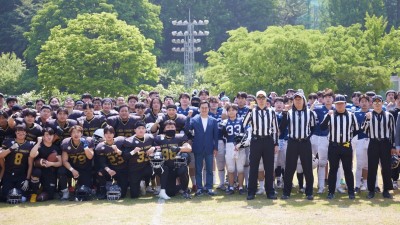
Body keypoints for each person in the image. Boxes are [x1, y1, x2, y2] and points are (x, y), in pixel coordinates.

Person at [320, 94, 359, 200]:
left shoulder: (351, 115)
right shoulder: (330, 115)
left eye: (342, 104)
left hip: (346, 146)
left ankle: (351, 192)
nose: (340, 106)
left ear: (345, 104)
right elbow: (322, 127)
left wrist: (348, 138)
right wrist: (328, 116)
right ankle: (331, 192)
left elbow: (356, 129)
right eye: (337, 104)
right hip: (333, 146)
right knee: (333, 170)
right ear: (335, 105)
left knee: (348, 170)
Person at [242, 90, 279, 200]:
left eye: (263, 98)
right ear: (256, 100)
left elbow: (275, 130)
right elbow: (244, 124)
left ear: (266, 99)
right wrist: (249, 109)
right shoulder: (252, 112)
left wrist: (275, 143)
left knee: (269, 167)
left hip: (268, 141)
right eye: (259, 98)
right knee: (253, 167)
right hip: (256, 140)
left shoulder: (271, 112)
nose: (261, 100)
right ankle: (251, 192)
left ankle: (270, 192)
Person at [280, 92, 316, 200]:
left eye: (300, 99)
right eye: (295, 99)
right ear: (293, 102)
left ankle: (309, 192)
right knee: (289, 168)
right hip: (292, 142)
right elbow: (282, 127)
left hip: (305, 142)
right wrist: (285, 114)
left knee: (307, 168)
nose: (298, 101)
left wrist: (307, 137)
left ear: (304, 100)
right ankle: (286, 192)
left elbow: (313, 127)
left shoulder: (310, 113)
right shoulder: (289, 113)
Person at [364, 95, 397, 199]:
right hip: (373, 143)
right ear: (372, 104)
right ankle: (371, 190)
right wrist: (368, 120)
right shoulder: (368, 115)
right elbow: (364, 130)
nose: (377, 104)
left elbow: (393, 132)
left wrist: (393, 146)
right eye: (375, 102)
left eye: (379, 102)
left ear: (382, 103)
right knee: (372, 167)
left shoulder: (389, 115)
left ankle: (386, 190)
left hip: (385, 143)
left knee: (386, 167)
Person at [184, 100, 218, 196]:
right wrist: (188, 117)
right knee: (198, 169)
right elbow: (187, 129)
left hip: (209, 148)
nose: (204, 109)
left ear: (208, 108)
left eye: (206, 108)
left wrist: (216, 148)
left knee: (209, 169)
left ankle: (209, 188)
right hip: (198, 147)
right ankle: (199, 188)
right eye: (202, 108)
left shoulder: (213, 120)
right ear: (199, 109)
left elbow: (216, 136)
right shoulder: (194, 119)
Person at [153, 120, 192, 199]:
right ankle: (178, 187)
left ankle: (185, 189)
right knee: (171, 192)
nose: (170, 129)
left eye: (172, 127)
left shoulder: (180, 137)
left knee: (183, 169)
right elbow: (154, 150)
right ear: (164, 129)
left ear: (175, 128)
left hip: (177, 166)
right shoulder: (159, 138)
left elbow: (189, 148)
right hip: (166, 169)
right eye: (168, 127)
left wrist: (179, 148)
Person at [0, 124, 35, 202]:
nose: (20, 134)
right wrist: (11, 149)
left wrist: (27, 179)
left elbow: (30, 165)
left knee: (23, 198)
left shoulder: (30, 144)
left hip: (21, 174)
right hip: (8, 174)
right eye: (18, 132)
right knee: (4, 197)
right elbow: (1, 156)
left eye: (23, 132)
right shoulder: (8, 142)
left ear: (26, 133)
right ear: (15, 132)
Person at [58, 125, 94, 200]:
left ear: (81, 133)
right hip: (72, 167)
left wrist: (86, 147)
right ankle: (65, 192)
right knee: (61, 170)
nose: (76, 134)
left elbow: (90, 157)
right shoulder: (66, 143)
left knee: (84, 189)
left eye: (78, 132)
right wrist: (72, 170)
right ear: (70, 134)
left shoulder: (88, 140)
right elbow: (64, 161)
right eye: (73, 132)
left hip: (84, 168)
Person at [29, 127, 62, 202]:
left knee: (49, 195)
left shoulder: (56, 148)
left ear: (53, 136)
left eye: (51, 135)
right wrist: (38, 142)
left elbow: (60, 163)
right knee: (36, 172)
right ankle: (34, 193)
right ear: (43, 136)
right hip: (39, 171)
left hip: (50, 172)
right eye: (46, 135)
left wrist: (51, 163)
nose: (49, 137)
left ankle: (42, 192)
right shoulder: (39, 146)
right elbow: (32, 155)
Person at [95, 125, 127, 199]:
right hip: (111, 167)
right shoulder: (101, 146)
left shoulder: (120, 141)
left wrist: (119, 151)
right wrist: (108, 170)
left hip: (123, 168)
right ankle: (103, 191)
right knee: (100, 172)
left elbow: (127, 155)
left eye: (110, 133)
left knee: (123, 194)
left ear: (114, 134)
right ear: (104, 135)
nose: (108, 135)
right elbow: (102, 162)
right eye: (106, 133)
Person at [221, 104, 247, 195]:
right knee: (231, 168)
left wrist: (241, 143)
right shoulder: (224, 122)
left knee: (240, 168)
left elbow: (246, 133)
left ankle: (240, 187)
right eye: (229, 110)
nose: (231, 112)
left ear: (236, 111)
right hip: (229, 145)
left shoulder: (242, 120)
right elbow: (222, 135)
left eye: (233, 110)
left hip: (240, 145)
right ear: (227, 112)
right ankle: (231, 186)